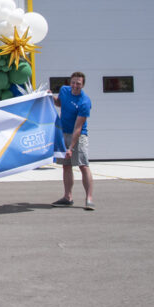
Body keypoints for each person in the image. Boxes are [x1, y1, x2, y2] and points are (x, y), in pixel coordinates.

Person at [52, 71, 94, 210]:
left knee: (83, 165)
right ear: (70, 82)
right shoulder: (64, 91)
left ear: (82, 85)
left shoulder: (84, 102)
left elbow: (78, 127)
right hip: (63, 132)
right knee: (66, 166)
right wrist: (50, 96)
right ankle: (67, 197)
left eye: (78, 83)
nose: (75, 85)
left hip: (79, 135)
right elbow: (59, 103)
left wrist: (71, 148)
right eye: (73, 82)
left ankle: (89, 198)